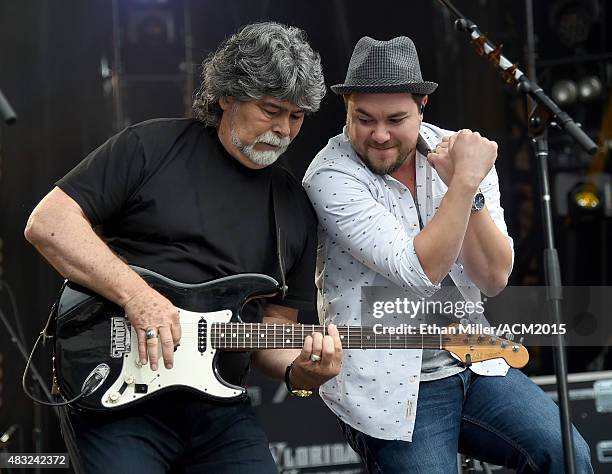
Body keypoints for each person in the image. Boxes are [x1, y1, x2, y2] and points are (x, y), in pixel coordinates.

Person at [24, 22, 342, 474]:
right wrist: (138, 297)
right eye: (272, 110)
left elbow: (275, 330)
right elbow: (49, 223)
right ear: (227, 95)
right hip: (117, 394)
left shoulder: (294, 207)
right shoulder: (149, 148)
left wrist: (304, 374)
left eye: (296, 116)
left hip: (220, 412)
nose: (284, 129)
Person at [302, 36, 593, 473]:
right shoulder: (330, 175)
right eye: (363, 119)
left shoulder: (462, 153)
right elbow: (419, 271)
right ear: (346, 107)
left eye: (395, 119)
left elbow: (494, 278)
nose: (379, 135)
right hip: (390, 387)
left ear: (422, 105)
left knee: (569, 456)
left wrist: (469, 188)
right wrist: (462, 182)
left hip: (474, 359)